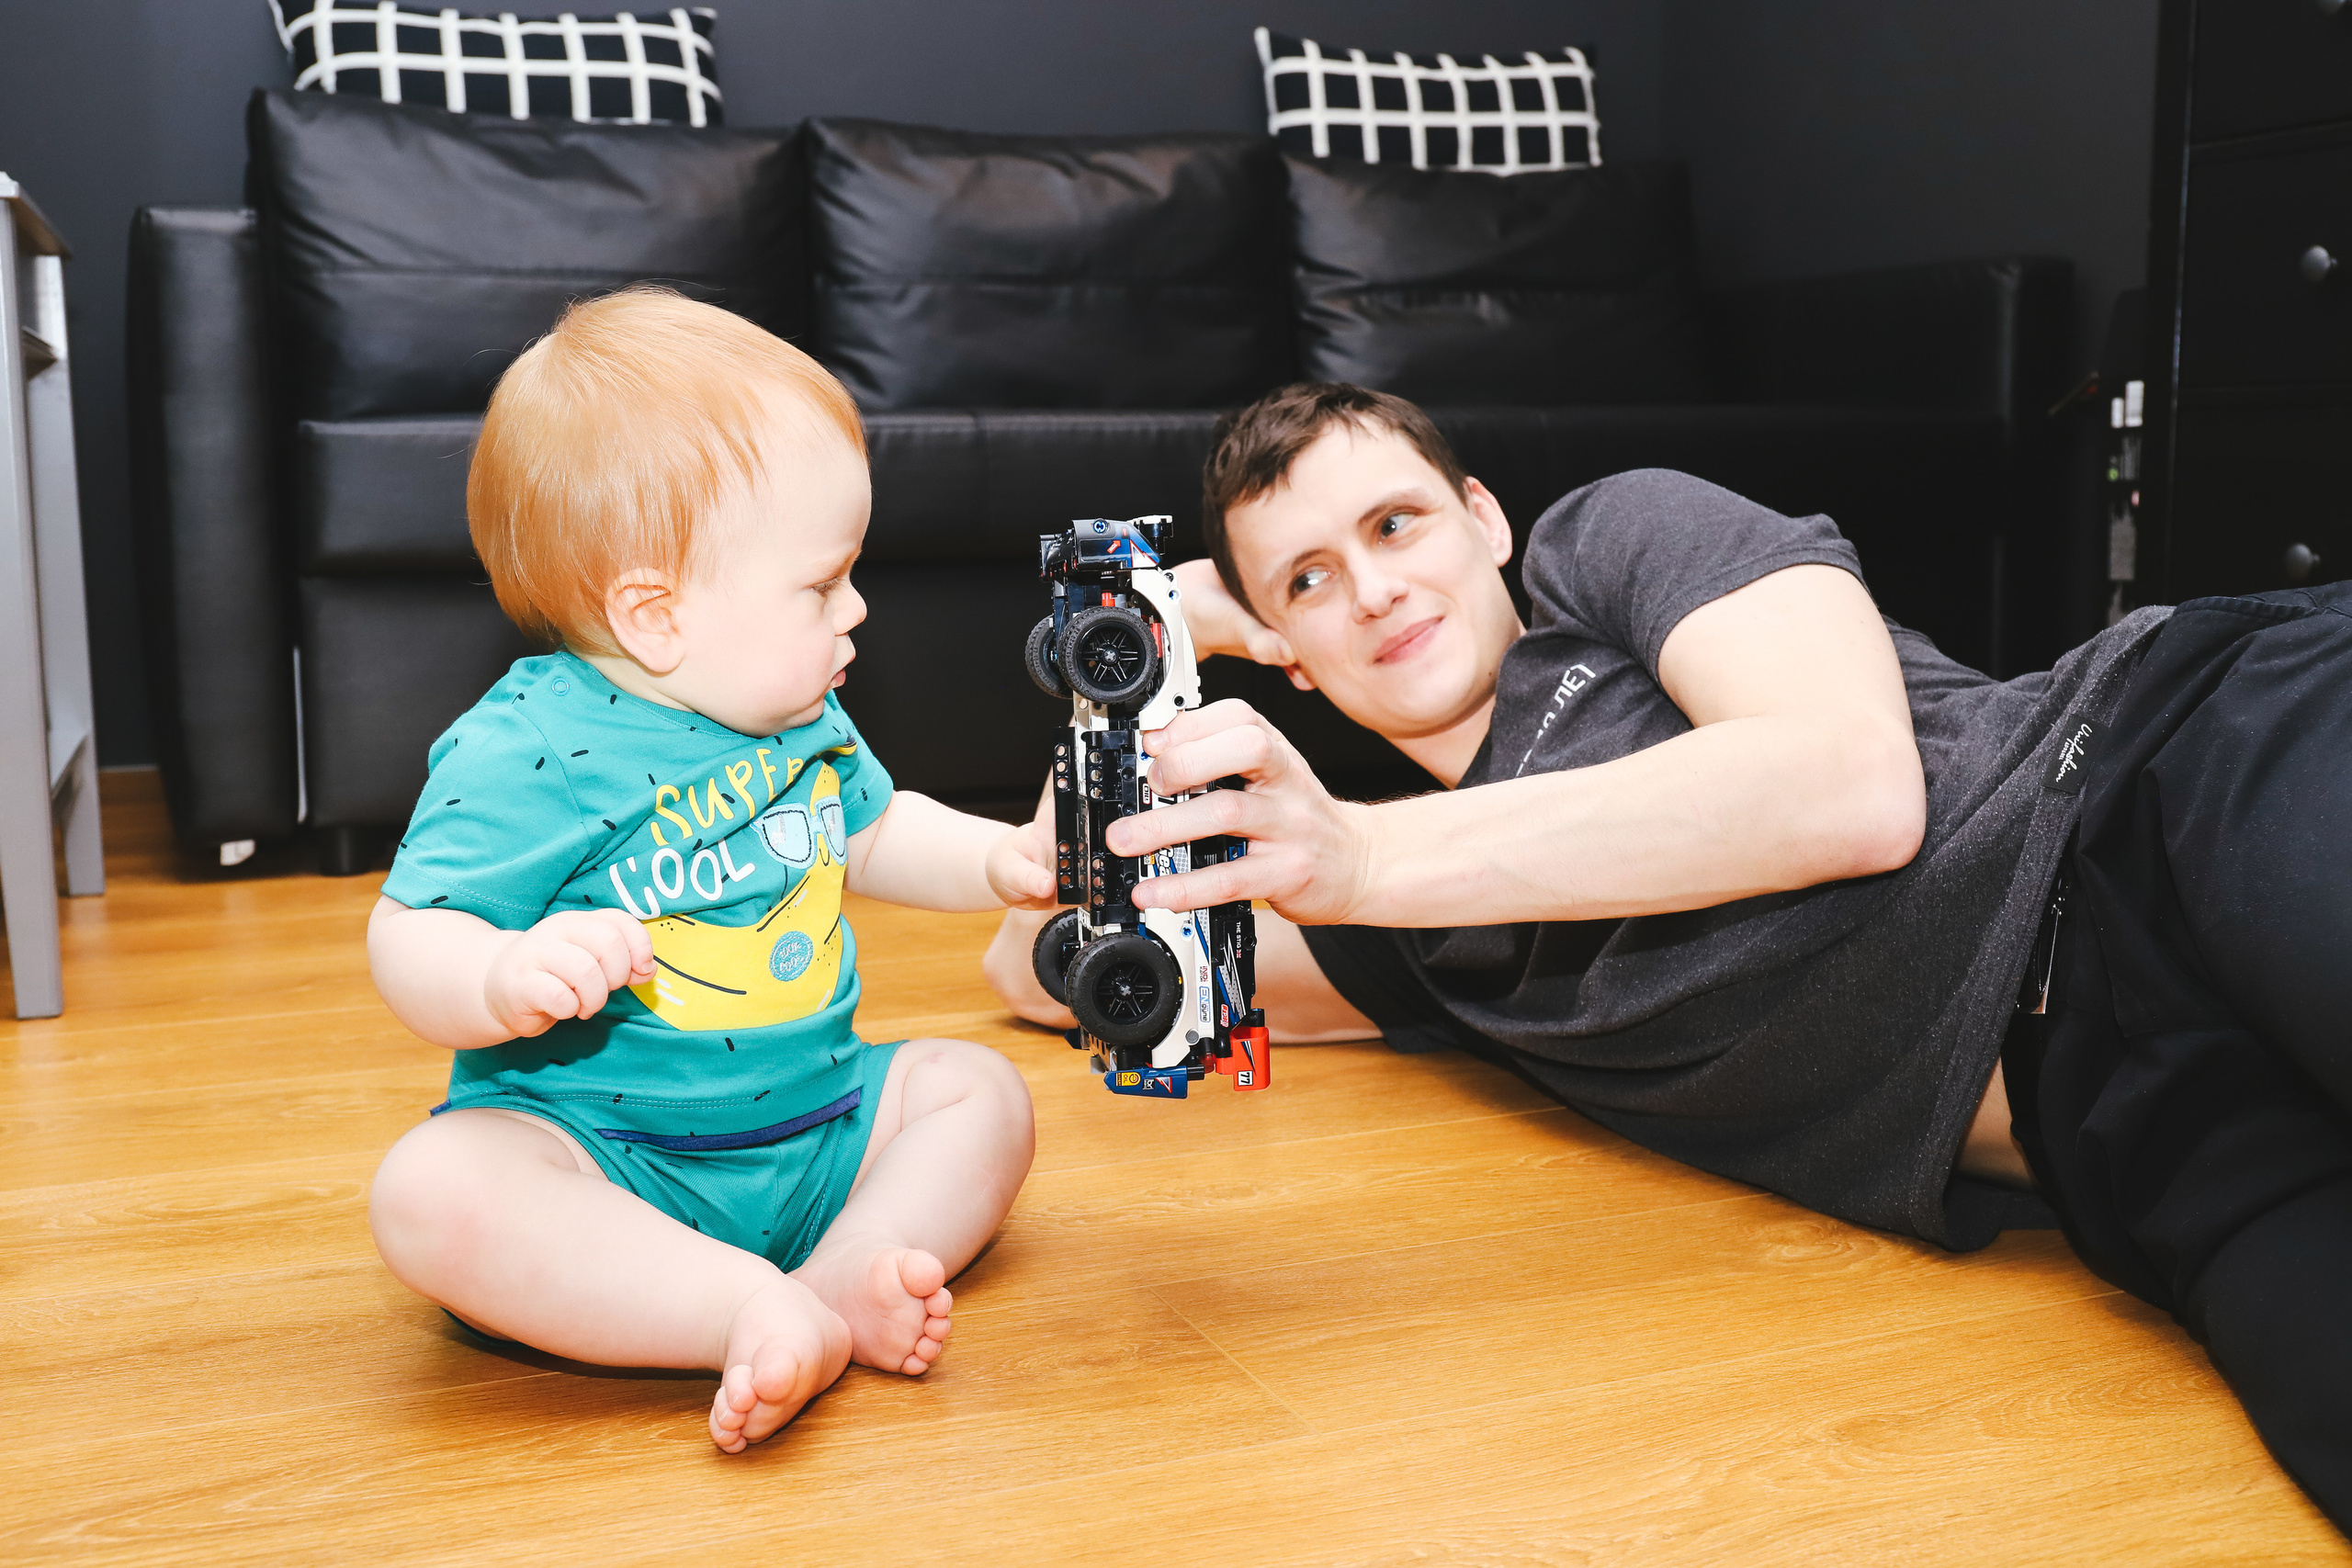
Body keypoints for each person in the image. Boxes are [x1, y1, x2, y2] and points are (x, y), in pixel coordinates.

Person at [985, 381, 2352, 1529]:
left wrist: (1357, 857)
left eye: (1396, 522)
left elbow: (1849, 789)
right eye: (1310, 581)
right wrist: (1150, 662)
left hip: (2164, 792)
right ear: (1288, 650)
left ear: (1483, 519)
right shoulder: (1411, 931)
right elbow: (1035, 953)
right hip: (2126, 1126)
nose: (1375, 588)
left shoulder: (1607, 544)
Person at [368, 288, 1056, 1453]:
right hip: (606, 1162)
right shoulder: (528, 749)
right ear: (655, 614)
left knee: (978, 1093)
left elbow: (874, 834)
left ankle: (843, 1270)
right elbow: (407, 934)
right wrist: (501, 974)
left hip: (824, 1128)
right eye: (821, 582)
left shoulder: (799, 714)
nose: (858, 606)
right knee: (432, 1191)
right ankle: (728, 1306)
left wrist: (1002, 857)